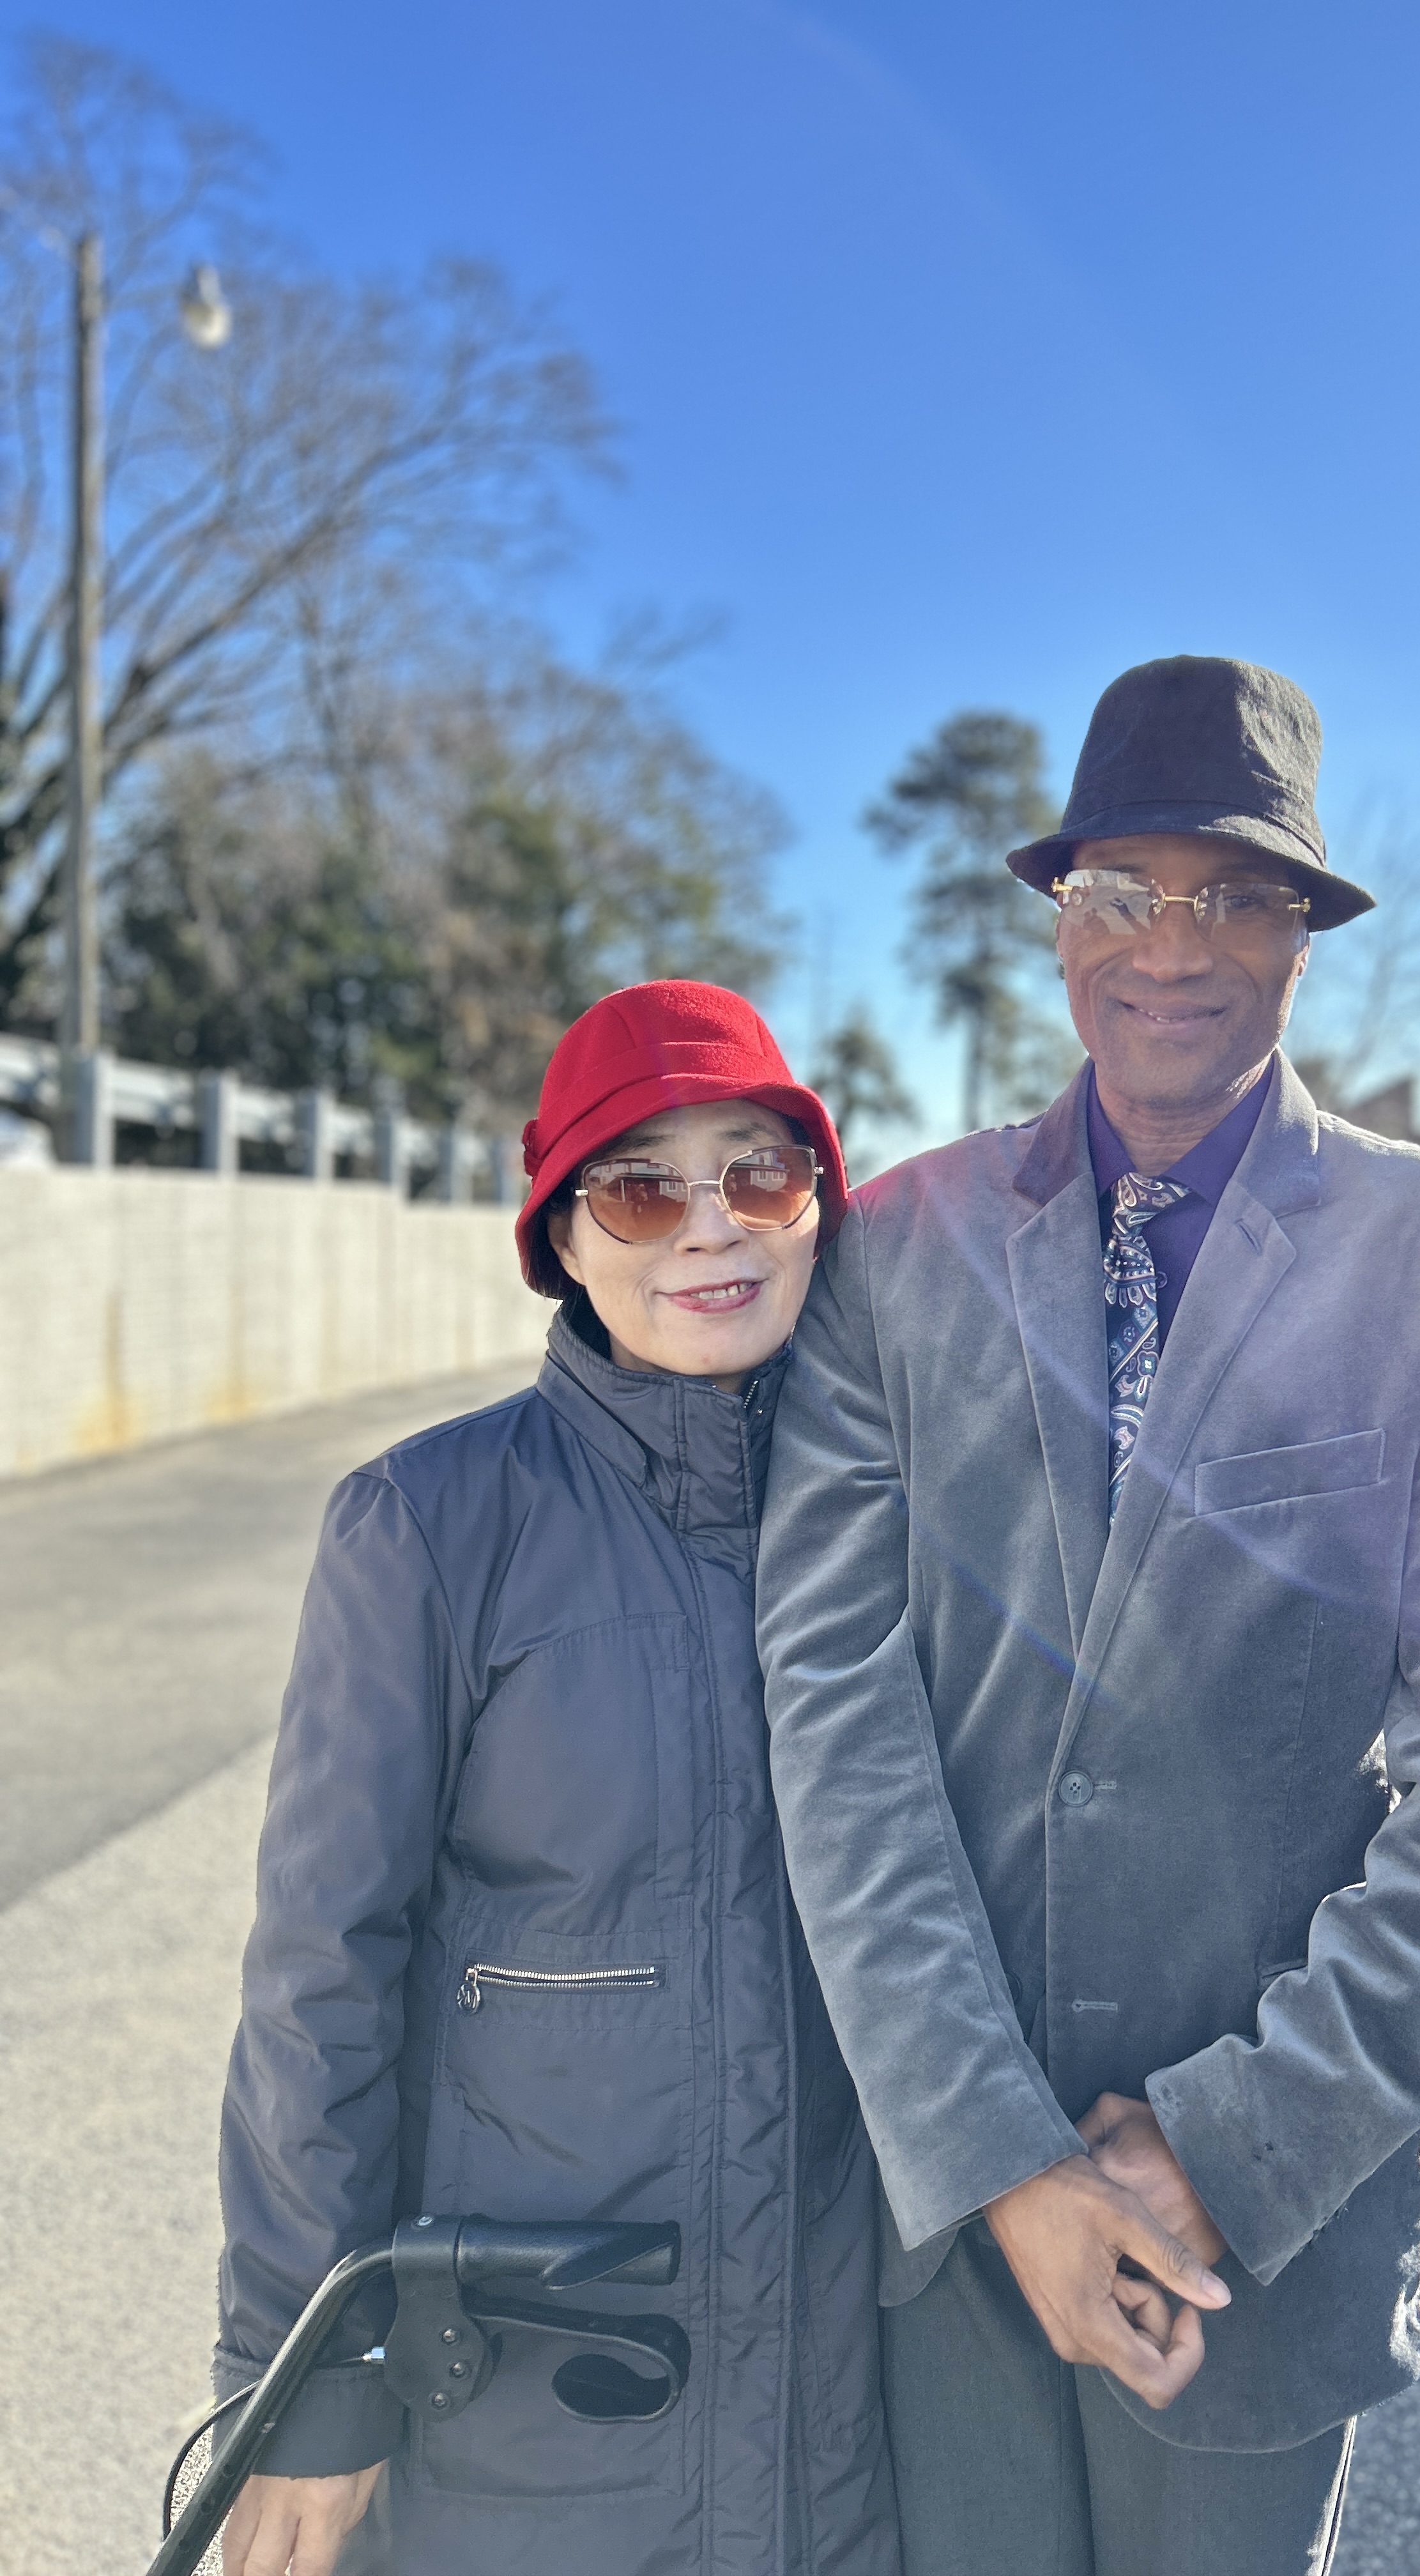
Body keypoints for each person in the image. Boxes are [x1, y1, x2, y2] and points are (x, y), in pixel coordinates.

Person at [756, 657, 1420, 2576]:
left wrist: (1219, 2152)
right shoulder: (895, 1252)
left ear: (1305, 933)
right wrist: (1001, 2157)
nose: (1174, 945)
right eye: (1122, 890)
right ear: (1060, 922)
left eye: (1238, 894)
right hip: (953, 2225)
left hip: (1257, 2246)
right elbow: (836, 1708)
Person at [213, 981, 899, 2576]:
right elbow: (322, 1972)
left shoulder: (904, 1507)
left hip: (844, 2420)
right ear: (564, 1241)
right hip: (529, 2409)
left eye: (760, 1175)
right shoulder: (428, 1527)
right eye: (643, 1189)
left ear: (819, 1208)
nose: (710, 1228)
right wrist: (308, 2387)